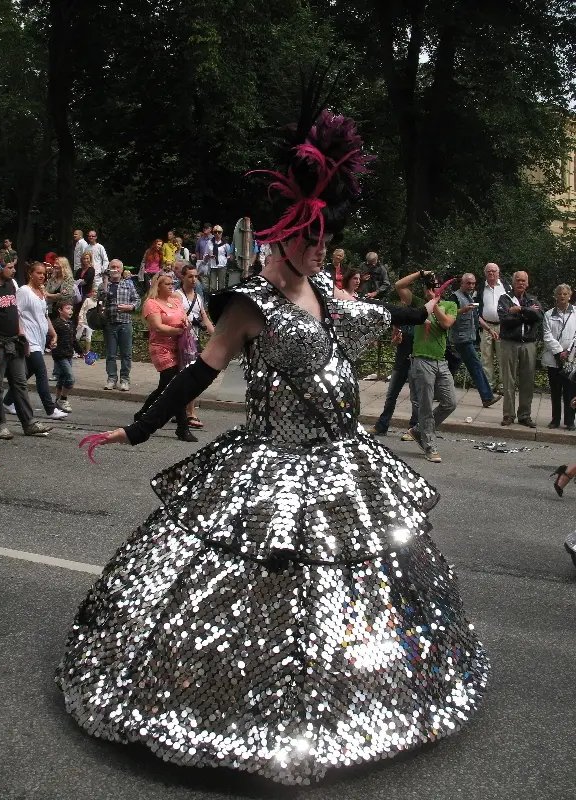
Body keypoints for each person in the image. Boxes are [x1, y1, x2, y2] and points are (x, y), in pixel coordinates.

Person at [58, 104, 487, 784]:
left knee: (359, 581)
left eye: (328, 240)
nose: (324, 250)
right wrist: (138, 426)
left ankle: (364, 693)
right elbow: (203, 368)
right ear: (288, 236)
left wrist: (428, 313)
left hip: (340, 463)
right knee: (258, 585)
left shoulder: (326, 293)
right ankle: (241, 707)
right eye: (315, 239)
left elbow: (385, 313)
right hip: (271, 467)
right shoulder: (250, 301)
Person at [0, 259, 52, 439]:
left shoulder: (10, 285)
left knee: (20, 382)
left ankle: (29, 423)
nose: (13, 271)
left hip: (14, 342)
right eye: (10, 267)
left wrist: (22, 335)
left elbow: (15, 312)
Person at [395, 270, 458, 462]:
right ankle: (430, 445)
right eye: (429, 286)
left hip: (440, 361)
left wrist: (435, 305)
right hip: (421, 360)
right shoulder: (417, 305)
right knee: (425, 406)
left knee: (450, 403)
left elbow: (446, 323)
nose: (433, 289)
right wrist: (420, 273)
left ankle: (417, 430)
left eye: (436, 286)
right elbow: (399, 286)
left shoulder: (450, 305)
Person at [134, 273, 196, 442]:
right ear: (158, 286)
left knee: (165, 387)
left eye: (172, 283)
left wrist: (186, 325)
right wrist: (178, 330)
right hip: (161, 348)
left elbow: (185, 320)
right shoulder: (151, 304)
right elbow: (158, 327)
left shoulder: (176, 302)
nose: (171, 286)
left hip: (178, 347)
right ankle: (182, 427)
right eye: (167, 284)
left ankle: (142, 414)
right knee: (176, 385)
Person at [2, 262, 67, 421]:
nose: (42, 276)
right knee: (41, 373)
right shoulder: (24, 291)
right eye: (38, 273)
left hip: (39, 339)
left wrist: (53, 334)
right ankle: (50, 409)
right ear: (31, 273)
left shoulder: (41, 293)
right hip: (29, 340)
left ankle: (8, 401)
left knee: (25, 374)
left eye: (44, 273)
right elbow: (15, 314)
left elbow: (44, 316)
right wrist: (22, 335)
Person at [498, 270, 543, 427]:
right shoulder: (505, 299)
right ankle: (508, 415)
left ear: (527, 283)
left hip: (528, 344)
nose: (521, 283)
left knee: (527, 380)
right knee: (508, 380)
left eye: (524, 280)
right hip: (509, 343)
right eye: (518, 280)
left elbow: (538, 317)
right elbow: (505, 319)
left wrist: (521, 310)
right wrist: (527, 315)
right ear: (513, 282)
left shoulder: (532, 299)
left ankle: (524, 415)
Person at [448, 273, 500, 408]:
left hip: (469, 338)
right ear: (462, 283)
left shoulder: (471, 297)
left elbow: (477, 317)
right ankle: (487, 397)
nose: (471, 286)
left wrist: (489, 330)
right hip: (461, 339)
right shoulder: (454, 297)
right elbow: (447, 315)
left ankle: (438, 392)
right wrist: (463, 310)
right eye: (468, 283)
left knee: (451, 367)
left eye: (473, 283)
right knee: (476, 366)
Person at [175, 263, 215, 429]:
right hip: (179, 341)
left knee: (191, 377)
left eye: (196, 276)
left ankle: (186, 411)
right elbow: (177, 316)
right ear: (183, 277)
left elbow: (205, 318)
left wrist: (218, 336)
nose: (194, 280)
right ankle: (186, 412)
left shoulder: (198, 298)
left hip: (194, 342)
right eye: (190, 276)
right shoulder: (177, 296)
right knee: (183, 378)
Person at [99, 259, 140, 391]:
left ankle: (125, 379)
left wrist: (130, 307)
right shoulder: (104, 284)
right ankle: (111, 379)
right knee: (110, 354)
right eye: (112, 267)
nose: (115, 269)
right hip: (109, 323)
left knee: (126, 354)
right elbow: (101, 300)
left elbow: (137, 300)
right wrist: (105, 281)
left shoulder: (128, 284)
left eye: (117, 267)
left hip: (125, 322)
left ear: (121, 270)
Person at [372, 321, 418, 437]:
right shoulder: (400, 320)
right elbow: (393, 342)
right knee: (391, 395)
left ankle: (413, 430)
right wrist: (396, 341)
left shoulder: (420, 319)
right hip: (400, 362)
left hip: (415, 362)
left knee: (415, 398)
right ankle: (381, 426)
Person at [542, 283, 576, 430]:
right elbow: (547, 335)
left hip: (571, 359)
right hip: (554, 359)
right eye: (559, 293)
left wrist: (568, 351)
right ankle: (555, 420)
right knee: (555, 391)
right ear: (555, 296)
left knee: (570, 391)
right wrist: (559, 351)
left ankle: (570, 421)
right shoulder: (548, 314)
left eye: (565, 294)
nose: (562, 296)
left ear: (570, 296)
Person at [474, 262, 509, 393]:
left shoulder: (506, 286)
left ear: (498, 273)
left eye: (494, 271)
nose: (491, 273)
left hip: (502, 326)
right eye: (489, 271)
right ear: (485, 274)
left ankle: (503, 385)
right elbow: (475, 306)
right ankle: (489, 384)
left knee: (503, 356)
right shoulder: (481, 287)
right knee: (486, 356)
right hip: (485, 325)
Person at [52, 300, 79, 412]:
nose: (70, 311)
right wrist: (51, 343)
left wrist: (81, 351)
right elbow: (51, 336)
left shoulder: (70, 324)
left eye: (71, 309)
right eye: (67, 308)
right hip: (59, 355)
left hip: (68, 355)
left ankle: (57, 401)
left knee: (62, 379)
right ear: (60, 310)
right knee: (70, 379)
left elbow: (73, 340)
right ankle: (63, 399)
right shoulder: (56, 324)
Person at [73, 251, 95, 327]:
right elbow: (74, 279)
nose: (85, 260)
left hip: (86, 293)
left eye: (87, 258)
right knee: (76, 311)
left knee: (84, 312)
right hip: (78, 293)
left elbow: (85, 281)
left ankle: (85, 329)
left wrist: (78, 281)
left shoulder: (91, 270)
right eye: (84, 258)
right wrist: (79, 281)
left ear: (90, 259)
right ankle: (76, 327)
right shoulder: (79, 270)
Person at [208, 225, 230, 293]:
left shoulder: (225, 244)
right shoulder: (210, 242)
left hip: (222, 265)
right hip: (213, 265)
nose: (217, 234)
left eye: (219, 232)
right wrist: (209, 255)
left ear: (221, 233)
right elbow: (206, 253)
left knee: (221, 285)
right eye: (215, 232)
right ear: (213, 233)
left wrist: (226, 260)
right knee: (213, 285)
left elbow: (229, 255)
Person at [76, 286, 97, 354]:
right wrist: (80, 318)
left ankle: (87, 352)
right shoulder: (87, 300)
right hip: (83, 321)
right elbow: (82, 310)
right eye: (93, 292)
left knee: (88, 337)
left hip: (91, 323)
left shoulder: (99, 302)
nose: (94, 293)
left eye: (96, 292)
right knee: (78, 336)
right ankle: (75, 351)